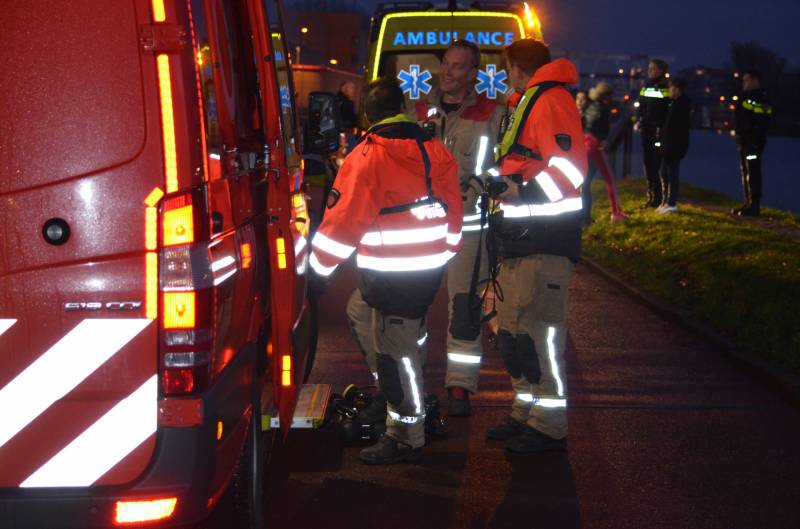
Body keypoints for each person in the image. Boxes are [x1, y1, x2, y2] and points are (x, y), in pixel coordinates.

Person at [310, 78, 463, 464]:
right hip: (424, 272)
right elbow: (454, 213)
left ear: (367, 115)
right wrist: (440, 253)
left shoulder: (366, 157)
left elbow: (342, 224)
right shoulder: (434, 150)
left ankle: (406, 432)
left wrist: (316, 274)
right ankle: (396, 390)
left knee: (397, 355)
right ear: (404, 107)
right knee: (364, 314)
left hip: (391, 274)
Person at [483, 39, 587, 453]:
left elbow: (568, 169)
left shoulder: (550, 100)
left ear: (515, 66)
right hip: (523, 242)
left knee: (540, 337)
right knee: (515, 334)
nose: (506, 76)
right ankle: (526, 412)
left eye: (507, 68)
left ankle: (548, 425)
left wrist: (520, 191)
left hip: (545, 241)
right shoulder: (531, 101)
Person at [411, 40, 505, 417]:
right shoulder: (418, 110)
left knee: (464, 305)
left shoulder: (491, 113)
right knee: (411, 301)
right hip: (420, 225)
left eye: (458, 67)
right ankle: (410, 375)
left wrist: (480, 187)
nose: (449, 73)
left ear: (473, 74)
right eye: (446, 65)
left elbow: (504, 163)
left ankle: (460, 386)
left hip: (469, 227)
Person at [581, 82, 626, 223]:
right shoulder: (604, 108)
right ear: (606, 95)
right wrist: (603, 141)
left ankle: (582, 216)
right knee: (610, 179)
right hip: (596, 145)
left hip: (585, 143)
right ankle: (616, 213)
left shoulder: (590, 106)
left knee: (585, 182)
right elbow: (602, 129)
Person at [732, 70, 772, 217]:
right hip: (745, 140)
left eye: (747, 80)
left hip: (754, 142)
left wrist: (754, 142)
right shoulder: (745, 97)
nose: (744, 83)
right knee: (745, 172)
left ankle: (754, 206)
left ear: (756, 81)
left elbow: (761, 123)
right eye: (744, 80)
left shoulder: (761, 99)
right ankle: (748, 203)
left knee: (753, 172)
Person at [635, 59, 671, 208]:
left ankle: (660, 197)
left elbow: (667, 112)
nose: (650, 71)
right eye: (649, 68)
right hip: (646, 131)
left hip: (658, 133)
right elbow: (640, 107)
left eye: (653, 69)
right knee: (648, 164)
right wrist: (638, 120)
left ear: (661, 71)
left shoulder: (667, 88)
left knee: (657, 165)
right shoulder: (646, 87)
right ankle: (651, 197)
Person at [656, 77, 691, 214]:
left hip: (673, 146)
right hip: (669, 145)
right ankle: (666, 201)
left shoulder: (681, 105)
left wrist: (670, 146)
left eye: (670, 88)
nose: (669, 90)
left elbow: (677, 129)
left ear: (677, 89)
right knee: (664, 172)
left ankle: (671, 203)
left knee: (672, 173)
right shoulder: (675, 103)